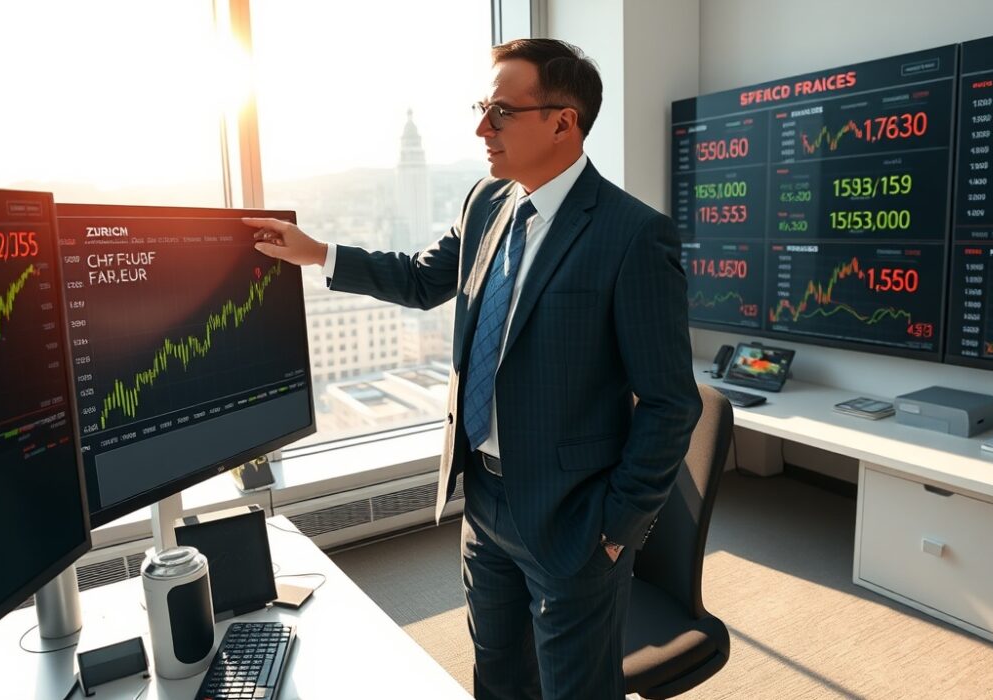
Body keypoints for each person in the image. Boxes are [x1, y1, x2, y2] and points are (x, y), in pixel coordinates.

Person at [247, 38, 700, 700]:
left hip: (575, 518)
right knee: (498, 680)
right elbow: (425, 278)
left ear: (562, 121)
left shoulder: (632, 236)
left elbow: (670, 403)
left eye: (499, 111)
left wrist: (615, 530)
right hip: (483, 502)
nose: (480, 128)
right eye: (481, 108)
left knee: (576, 689)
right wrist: (320, 253)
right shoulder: (487, 202)